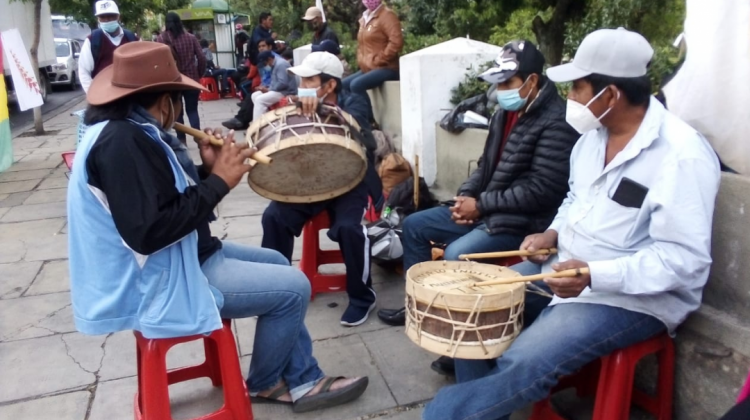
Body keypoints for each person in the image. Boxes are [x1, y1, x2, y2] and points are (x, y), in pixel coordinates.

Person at [421, 28, 721, 420]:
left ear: (610, 94)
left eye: (578, 87)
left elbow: (684, 262)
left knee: (524, 360)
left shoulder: (681, 156)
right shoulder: (591, 139)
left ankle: (447, 415)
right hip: (563, 266)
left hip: (630, 298)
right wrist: (552, 233)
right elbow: (575, 200)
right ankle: (484, 408)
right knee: (474, 302)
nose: (570, 98)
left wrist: (595, 275)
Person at [70, 41, 369, 413]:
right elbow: (147, 232)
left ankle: (293, 374)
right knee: (295, 287)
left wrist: (206, 171)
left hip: (182, 256)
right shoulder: (122, 143)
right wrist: (219, 184)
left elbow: (158, 197)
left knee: (277, 262)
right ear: (164, 100)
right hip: (160, 278)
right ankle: (274, 382)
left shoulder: (130, 131)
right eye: (178, 99)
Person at [376, 40, 579, 376]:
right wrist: (464, 198)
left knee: (457, 254)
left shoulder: (556, 122)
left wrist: (480, 206)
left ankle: (463, 343)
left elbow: (541, 190)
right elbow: (484, 166)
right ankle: (421, 308)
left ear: (531, 81)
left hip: (520, 223)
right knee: (414, 226)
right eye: (497, 83)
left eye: (506, 83)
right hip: (487, 211)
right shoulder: (504, 114)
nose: (500, 91)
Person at [261, 52, 383, 326]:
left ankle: (363, 297)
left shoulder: (354, 100)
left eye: (309, 79)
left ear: (329, 85)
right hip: (310, 181)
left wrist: (327, 110)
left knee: (349, 229)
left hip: (351, 182)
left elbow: (368, 141)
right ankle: (275, 289)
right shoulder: (299, 105)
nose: (302, 84)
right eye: (301, 79)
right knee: (274, 217)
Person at [158, 12, 206, 144]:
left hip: (173, 81)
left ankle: (182, 140)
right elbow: (202, 57)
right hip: (191, 80)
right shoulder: (190, 38)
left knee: (177, 112)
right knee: (192, 109)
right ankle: (199, 138)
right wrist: (199, 73)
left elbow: (159, 61)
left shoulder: (161, 39)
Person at [343, 0, 402, 96]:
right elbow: (362, 43)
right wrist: (361, 60)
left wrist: (379, 60)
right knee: (342, 85)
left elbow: (396, 43)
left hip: (386, 67)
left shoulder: (388, 16)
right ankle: (349, 110)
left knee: (356, 85)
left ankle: (363, 111)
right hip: (369, 68)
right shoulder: (364, 18)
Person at [78, 0, 138, 93]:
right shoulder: (92, 40)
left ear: (118, 17)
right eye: (102, 17)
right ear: (98, 19)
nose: (107, 20)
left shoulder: (131, 38)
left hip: (129, 95)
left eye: (110, 16)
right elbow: (84, 71)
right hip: (102, 96)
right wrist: (93, 95)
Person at [252, 51, 297, 121]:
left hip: (286, 92)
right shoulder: (274, 64)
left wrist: (269, 89)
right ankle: (266, 121)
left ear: (269, 59)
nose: (265, 66)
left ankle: (256, 127)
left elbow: (283, 83)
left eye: (265, 63)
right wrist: (266, 87)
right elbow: (275, 81)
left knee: (259, 100)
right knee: (255, 95)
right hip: (278, 90)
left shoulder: (280, 64)